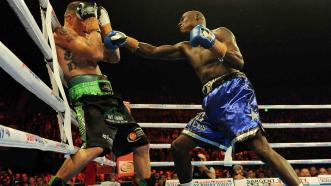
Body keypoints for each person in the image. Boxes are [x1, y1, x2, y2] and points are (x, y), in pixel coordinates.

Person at [104, 10, 302, 186]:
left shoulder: (221, 33)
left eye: (183, 18)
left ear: (197, 18)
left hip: (232, 89)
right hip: (211, 101)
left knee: (260, 148)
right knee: (178, 147)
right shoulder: (185, 47)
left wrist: (211, 41)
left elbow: (238, 61)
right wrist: (125, 39)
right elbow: (153, 51)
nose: (179, 22)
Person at [48, 2, 151, 185]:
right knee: (95, 148)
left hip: (108, 95)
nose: (88, 23)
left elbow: (114, 58)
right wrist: (95, 27)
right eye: (85, 18)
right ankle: (54, 183)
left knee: (141, 144)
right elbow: (95, 53)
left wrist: (108, 32)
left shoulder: (85, 38)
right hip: (88, 97)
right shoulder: (62, 33)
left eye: (90, 19)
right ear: (70, 18)